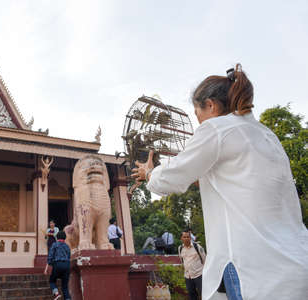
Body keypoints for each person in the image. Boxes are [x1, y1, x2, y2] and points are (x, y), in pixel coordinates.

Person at [132, 64, 308, 300]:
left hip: (254, 270)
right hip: (297, 261)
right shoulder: (267, 135)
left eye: (198, 115)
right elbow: (240, 183)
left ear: (211, 106)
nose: (199, 124)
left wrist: (150, 173)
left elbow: (171, 178)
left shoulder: (216, 129)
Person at [178, 231, 206, 300]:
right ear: (181, 238)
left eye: (188, 237)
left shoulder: (197, 246)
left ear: (190, 238)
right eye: (184, 237)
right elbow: (182, 260)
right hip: (188, 276)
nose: (186, 238)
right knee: (191, 295)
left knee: (204, 294)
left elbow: (204, 259)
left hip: (199, 275)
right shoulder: (180, 248)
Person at [44, 231, 71, 300]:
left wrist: (48, 267)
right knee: (65, 286)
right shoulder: (67, 246)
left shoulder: (55, 245)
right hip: (67, 265)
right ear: (65, 238)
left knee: (52, 281)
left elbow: (50, 257)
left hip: (58, 264)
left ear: (57, 237)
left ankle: (56, 294)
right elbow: (69, 256)